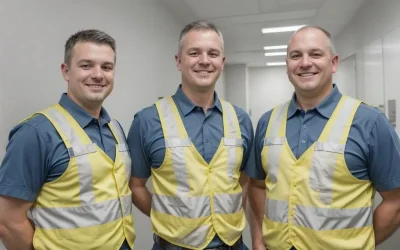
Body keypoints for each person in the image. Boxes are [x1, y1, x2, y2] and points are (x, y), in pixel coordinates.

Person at [247, 25, 400, 250]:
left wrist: (360, 244)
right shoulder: (267, 122)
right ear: (287, 65)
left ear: (334, 62)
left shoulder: (370, 123)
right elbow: (257, 186)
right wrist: (259, 238)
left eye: (315, 54)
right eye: (295, 55)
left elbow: (396, 202)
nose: (305, 62)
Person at [0, 29, 135, 250]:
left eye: (106, 67)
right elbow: (8, 222)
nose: (98, 74)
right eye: (86, 65)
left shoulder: (115, 128)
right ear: (66, 71)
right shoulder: (36, 133)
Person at [127, 20, 253, 250]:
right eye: (194, 53)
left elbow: (244, 178)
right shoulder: (147, 121)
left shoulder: (241, 119)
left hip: (234, 244)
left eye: (213, 53)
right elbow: (135, 185)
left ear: (222, 62)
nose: (204, 61)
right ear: (179, 61)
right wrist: (166, 216)